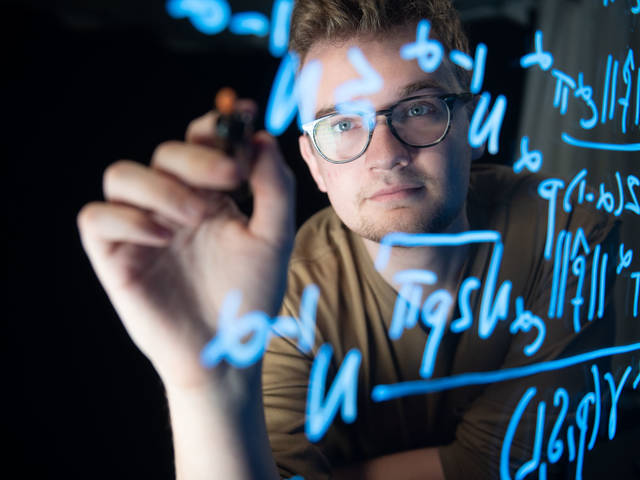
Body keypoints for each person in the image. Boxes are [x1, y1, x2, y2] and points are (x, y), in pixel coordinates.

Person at [77, 0, 618, 478]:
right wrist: (207, 387)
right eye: (343, 125)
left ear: (471, 127)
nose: (386, 154)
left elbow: (515, 460)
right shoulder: (274, 295)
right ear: (314, 165)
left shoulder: (570, 230)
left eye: (418, 109)